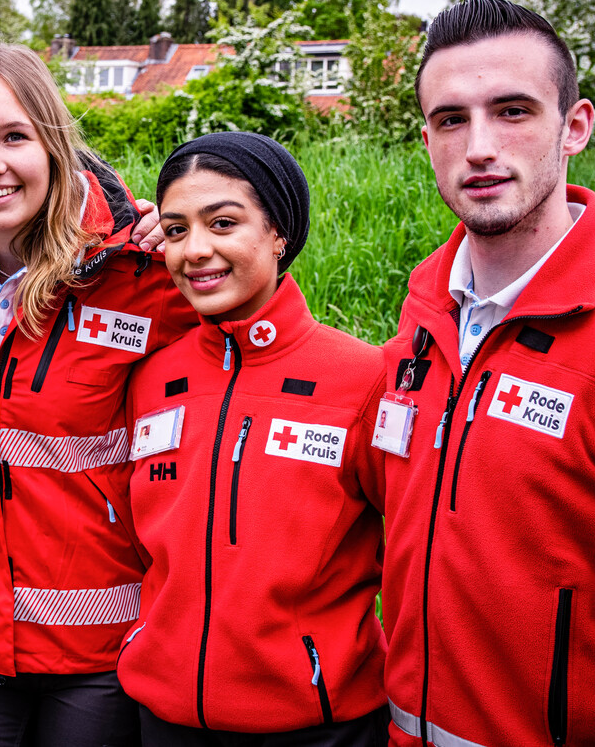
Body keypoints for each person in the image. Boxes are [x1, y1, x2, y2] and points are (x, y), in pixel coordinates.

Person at [378, 0, 595, 746]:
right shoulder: (422, 318)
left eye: (514, 111)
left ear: (576, 128)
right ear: (427, 137)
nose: (480, 147)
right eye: (453, 119)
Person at [0, 43, 195, 746]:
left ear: (52, 145)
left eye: (14, 136)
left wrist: (175, 228)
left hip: (100, 651)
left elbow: (254, 325)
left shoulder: (138, 272)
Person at [121, 131, 389, 745]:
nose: (197, 250)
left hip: (319, 725)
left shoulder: (363, 379)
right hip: (163, 720)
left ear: (278, 232)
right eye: (177, 229)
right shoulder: (152, 376)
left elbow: (410, 564)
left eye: (223, 223)